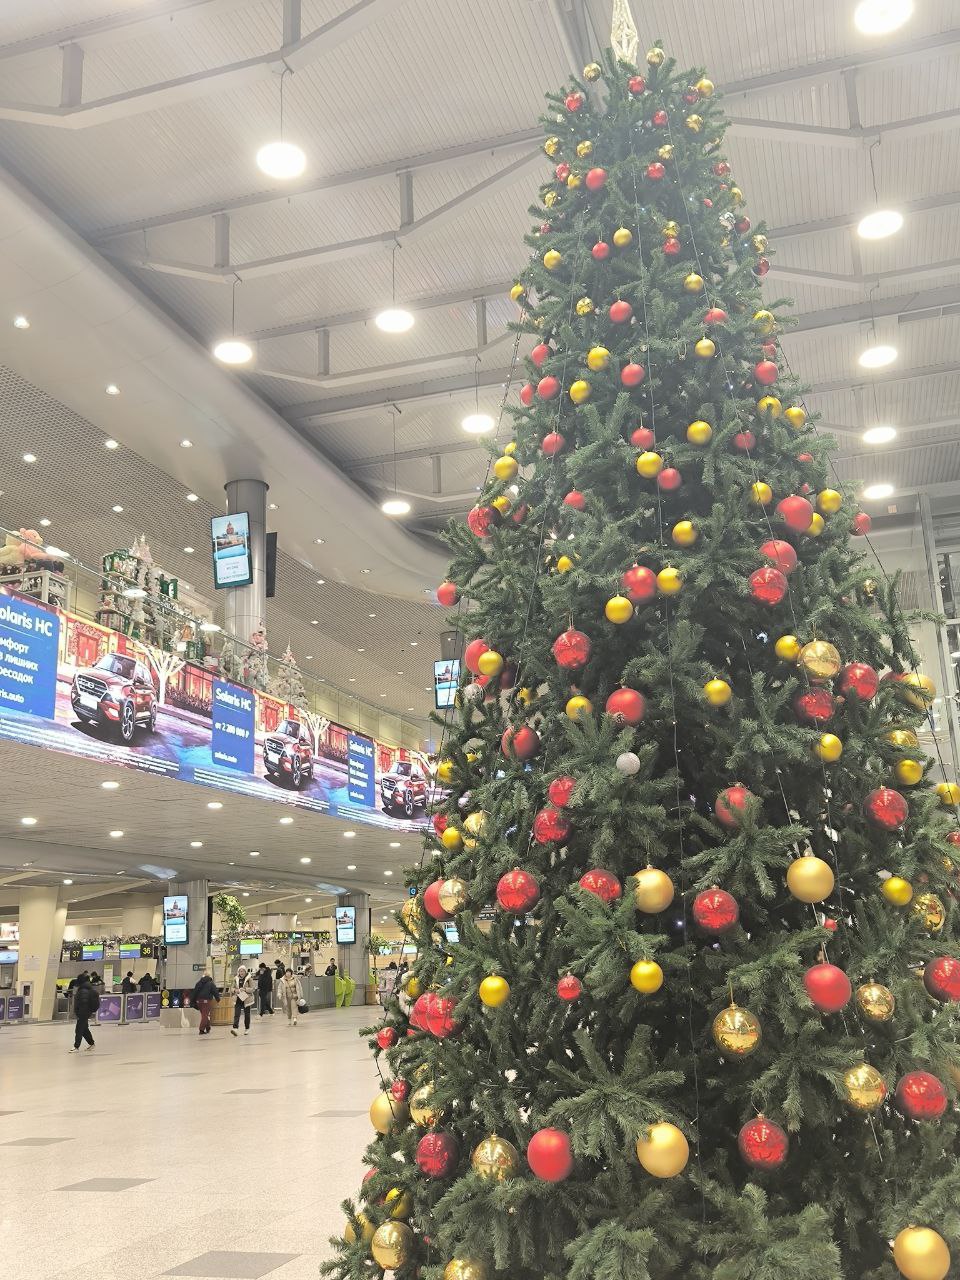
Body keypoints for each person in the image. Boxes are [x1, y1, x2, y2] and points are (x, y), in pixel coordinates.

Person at [70, 973, 99, 1053]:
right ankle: (91, 1043)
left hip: (83, 1012)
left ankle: (76, 1047)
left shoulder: (83, 990)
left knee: (79, 1029)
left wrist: (78, 1013)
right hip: (86, 1012)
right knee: (84, 1029)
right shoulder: (87, 988)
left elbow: (82, 1002)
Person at [192, 970, 220, 1036]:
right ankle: (201, 1029)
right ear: (209, 976)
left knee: (204, 1015)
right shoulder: (211, 983)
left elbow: (194, 992)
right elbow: (215, 992)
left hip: (199, 1001)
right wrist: (218, 999)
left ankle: (208, 1028)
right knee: (205, 1015)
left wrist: (193, 1002)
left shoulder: (198, 982)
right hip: (206, 1001)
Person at [230, 965, 255, 1036]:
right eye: (240, 971)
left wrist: (245, 989)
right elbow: (231, 989)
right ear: (238, 972)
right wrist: (236, 990)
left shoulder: (249, 979)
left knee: (247, 1015)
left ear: (245, 971)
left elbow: (253, 989)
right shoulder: (235, 979)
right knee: (236, 1014)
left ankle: (247, 1028)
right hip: (238, 998)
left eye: (243, 971)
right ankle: (235, 1028)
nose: (241, 972)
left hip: (246, 999)